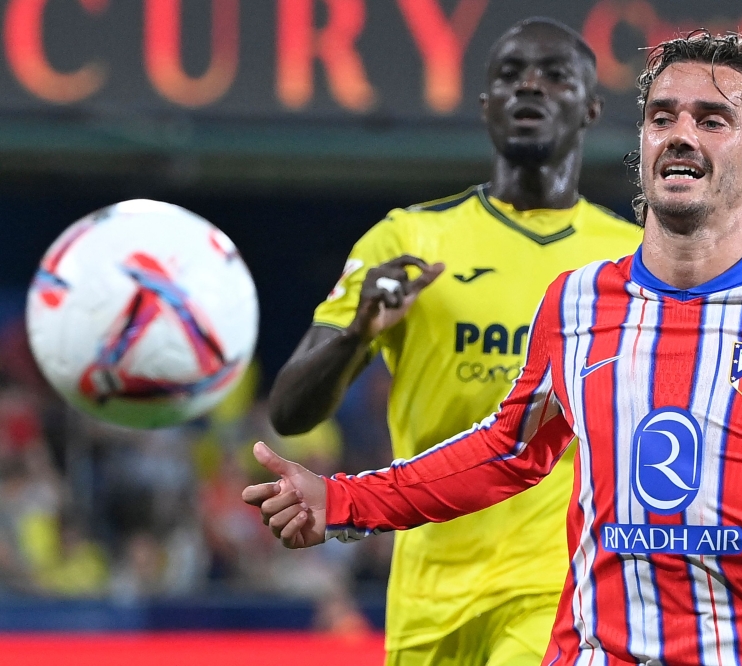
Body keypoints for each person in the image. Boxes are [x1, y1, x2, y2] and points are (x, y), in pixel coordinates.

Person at [248, 32, 742, 665]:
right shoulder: (578, 301)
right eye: (663, 117)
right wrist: (342, 500)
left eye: (712, 120)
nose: (679, 133)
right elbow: (505, 451)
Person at [248, 17, 642, 666]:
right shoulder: (405, 242)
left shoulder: (629, 260)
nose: (531, 89)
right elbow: (291, 414)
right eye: (511, 76)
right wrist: (357, 332)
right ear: (486, 105)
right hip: (427, 586)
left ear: (591, 107)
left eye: (555, 77)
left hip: (560, 582)